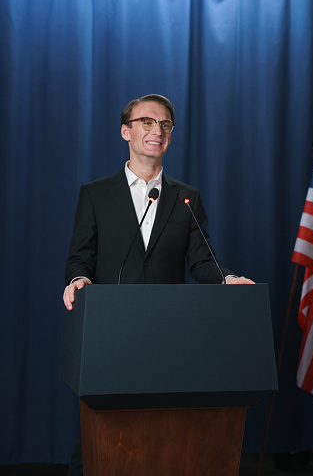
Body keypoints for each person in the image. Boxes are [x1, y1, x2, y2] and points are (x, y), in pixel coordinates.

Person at [63, 94, 254, 475]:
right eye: (147, 122)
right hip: (110, 331)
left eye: (165, 124)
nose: (157, 130)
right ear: (126, 131)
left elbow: (202, 259)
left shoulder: (187, 198)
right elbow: (80, 255)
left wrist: (227, 278)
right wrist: (78, 278)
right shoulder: (96, 194)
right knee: (97, 440)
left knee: (163, 435)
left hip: (167, 334)